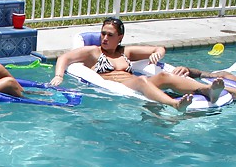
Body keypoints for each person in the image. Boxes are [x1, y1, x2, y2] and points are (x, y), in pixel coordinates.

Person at [49, 17, 195, 111]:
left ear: (120, 37)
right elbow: (64, 58)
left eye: (110, 35)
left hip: (137, 82)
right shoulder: (93, 52)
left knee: (164, 76)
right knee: (142, 80)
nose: (104, 38)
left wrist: (158, 54)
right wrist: (59, 75)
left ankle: (207, 89)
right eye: (103, 34)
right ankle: (175, 104)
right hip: (126, 85)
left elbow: (159, 48)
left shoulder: (126, 52)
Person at [145, 48, 236, 99]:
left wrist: (220, 89)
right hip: (197, 92)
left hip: (215, 102)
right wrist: (188, 70)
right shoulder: (228, 76)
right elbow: (201, 74)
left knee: (165, 78)